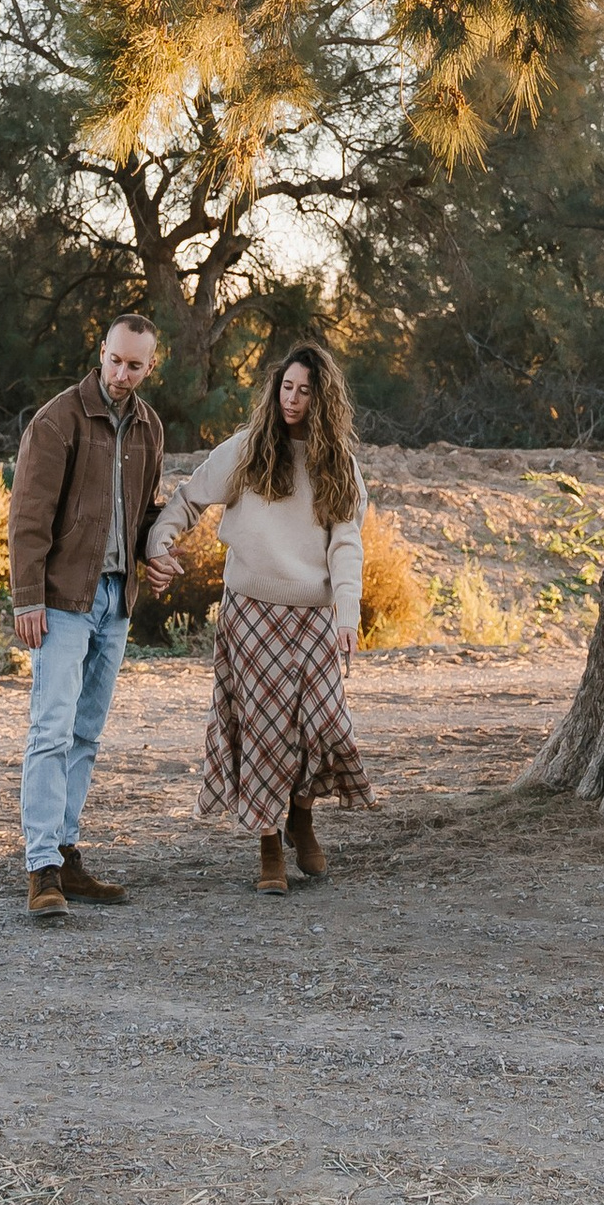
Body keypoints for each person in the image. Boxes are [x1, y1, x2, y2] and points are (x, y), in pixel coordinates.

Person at [142, 335, 374, 893]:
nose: (292, 399)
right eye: (286, 388)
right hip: (251, 612)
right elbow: (191, 496)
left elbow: (346, 542)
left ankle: (301, 815)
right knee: (265, 731)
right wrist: (160, 540)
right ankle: (269, 844)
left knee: (325, 725)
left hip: (314, 615)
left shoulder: (339, 465)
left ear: (323, 400)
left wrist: (347, 614)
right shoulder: (248, 449)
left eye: (304, 391)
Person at [8, 311, 166, 921]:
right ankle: (41, 868)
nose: (122, 374)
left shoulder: (150, 428)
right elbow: (28, 516)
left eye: (135, 365)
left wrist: (155, 552)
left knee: (86, 734)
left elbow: (144, 512)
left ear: (150, 366)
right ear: (101, 352)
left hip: (116, 600)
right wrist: (28, 598)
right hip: (62, 599)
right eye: (115, 360)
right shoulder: (58, 421)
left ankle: (67, 853)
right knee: (51, 730)